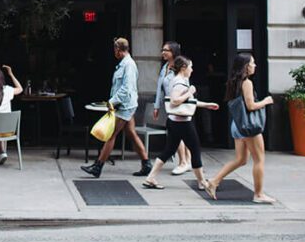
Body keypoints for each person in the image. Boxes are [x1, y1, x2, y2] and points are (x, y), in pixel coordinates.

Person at [206, 53, 276, 204]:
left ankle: (214, 181)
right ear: (246, 66)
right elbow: (251, 106)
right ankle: (258, 195)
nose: (255, 65)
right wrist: (266, 101)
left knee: (241, 159)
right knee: (259, 160)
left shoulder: (234, 82)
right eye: (252, 63)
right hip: (249, 126)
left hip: (237, 124)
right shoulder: (247, 83)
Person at [142, 56, 219, 191]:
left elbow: (186, 103)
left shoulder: (178, 80)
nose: (192, 69)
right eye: (190, 67)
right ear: (184, 68)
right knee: (195, 150)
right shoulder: (179, 83)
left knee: (169, 150)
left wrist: (206, 105)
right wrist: (190, 91)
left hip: (174, 121)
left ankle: (151, 177)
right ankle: (201, 182)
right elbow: (175, 101)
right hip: (182, 123)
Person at [81, 37, 151, 178]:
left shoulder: (128, 65)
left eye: (115, 49)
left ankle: (98, 166)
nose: (114, 52)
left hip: (124, 106)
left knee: (110, 134)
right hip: (125, 105)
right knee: (131, 133)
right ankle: (146, 163)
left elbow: (126, 88)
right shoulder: (124, 64)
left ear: (118, 50)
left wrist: (111, 102)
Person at [153, 41, 192, 175]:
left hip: (179, 103)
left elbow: (186, 83)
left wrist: (185, 98)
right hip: (170, 104)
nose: (163, 52)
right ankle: (186, 161)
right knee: (181, 133)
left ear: (173, 52)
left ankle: (183, 162)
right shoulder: (165, 67)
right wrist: (156, 106)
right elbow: (159, 87)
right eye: (162, 50)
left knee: (178, 133)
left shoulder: (180, 66)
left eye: (166, 50)